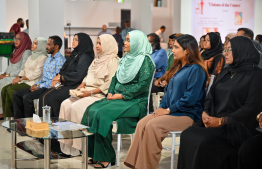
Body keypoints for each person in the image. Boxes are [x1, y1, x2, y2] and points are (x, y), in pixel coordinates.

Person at [124, 34, 208, 169]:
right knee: (142, 123)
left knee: (153, 126)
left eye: (176, 47)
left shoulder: (197, 70)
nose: (172, 50)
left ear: (187, 50)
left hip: (188, 114)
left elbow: (190, 98)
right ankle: (135, 165)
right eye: (173, 47)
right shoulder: (177, 68)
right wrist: (161, 107)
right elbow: (168, 93)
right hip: (173, 112)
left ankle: (147, 166)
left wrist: (168, 110)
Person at [177, 36, 262, 169]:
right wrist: (205, 112)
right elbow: (211, 94)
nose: (225, 54)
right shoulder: (227, 71)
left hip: (237, 126)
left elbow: (250, 108)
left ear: (242, 51)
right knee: (187, 135)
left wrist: (222, 121)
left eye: (230, 50)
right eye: (224, 49)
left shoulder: (256, 75)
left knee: (203, 142)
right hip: (213, 119)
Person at [81, 30, 155, 168]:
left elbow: (142, 85)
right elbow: (115, 78)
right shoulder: (126, 59)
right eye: (125, 39)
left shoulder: (146, 61)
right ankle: (95, 154)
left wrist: (121, 95)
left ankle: (106, 157)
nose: (125, 43)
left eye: (128, 40)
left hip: (135, 101)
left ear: (137, 43)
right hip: (119, 99)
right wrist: (110, 92)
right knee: (92, 110)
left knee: (102, 114)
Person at [59, 34, 119, 156]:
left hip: (99, 95)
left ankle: (79, 147)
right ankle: (66, 144)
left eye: (100, 43)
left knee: (75, 107)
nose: (97, 46)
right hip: (87, 92)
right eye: (97, 43)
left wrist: (90, 92)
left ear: (108, 45)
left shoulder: (113, 61)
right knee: (65, 104)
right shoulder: (97, 59)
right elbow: (87, 78)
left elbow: (109, 84)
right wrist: (79, 89)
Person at [37, 33, 94, 118]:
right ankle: (44, 124)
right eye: (73, 39)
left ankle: (55, 123)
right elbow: (64, 68)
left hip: (75, 85)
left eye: (76, 40)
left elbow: (79, 74)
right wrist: (56, 78)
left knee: (51, 98)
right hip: (67, 83)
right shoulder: (74, 54)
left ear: (83, 42)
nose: (73, 41)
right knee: (44, 96)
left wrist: (61, 78)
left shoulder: (85, 56)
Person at [12, 36, 66, 119]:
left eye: (49, 45)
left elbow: (55, 81)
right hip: (41, 85)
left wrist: (39, 86)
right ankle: (19, 122)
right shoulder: (49, 59)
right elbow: (44, 77)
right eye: (47, 44)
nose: (46, 47)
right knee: (16, 94)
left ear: (56, 47)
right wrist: (36, 84)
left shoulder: (60, 60)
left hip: (49, 88)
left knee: (27, 97)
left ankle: (30, 122)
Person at [1, 37, 47, 118]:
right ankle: (7, 117)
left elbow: (36, 74)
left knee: (10, 90)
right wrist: (18, 77)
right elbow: (23, 69)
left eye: (36, 44)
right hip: (24, 81)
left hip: (33, 82)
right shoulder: (31, 57)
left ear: (41, 46)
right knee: (4, 89)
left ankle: (16, 117)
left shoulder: (43, 58)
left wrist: (21, 78)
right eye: (33, 43)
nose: (32, 45)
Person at [0, 32, 31, 118]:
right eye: (15, 38)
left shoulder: (27, 52)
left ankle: (5, 113)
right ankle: (4, 112)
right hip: (10, 75)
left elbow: (22, 69)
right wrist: (4, 73)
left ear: (24, 40)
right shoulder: (15, 50)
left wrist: (7, 75)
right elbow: (10, 67)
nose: (15, 40)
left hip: (17, 77)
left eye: (18, 39)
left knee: (2, 85)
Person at [147, 33, 167, 113]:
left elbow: (153, 64)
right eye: (147, 42)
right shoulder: (146, 52)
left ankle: (151, 112)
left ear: (156, 42)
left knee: (147, 88)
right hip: (149, 78)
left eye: (151, 42)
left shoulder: (161, 52)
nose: (149, 44)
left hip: (158, 80)